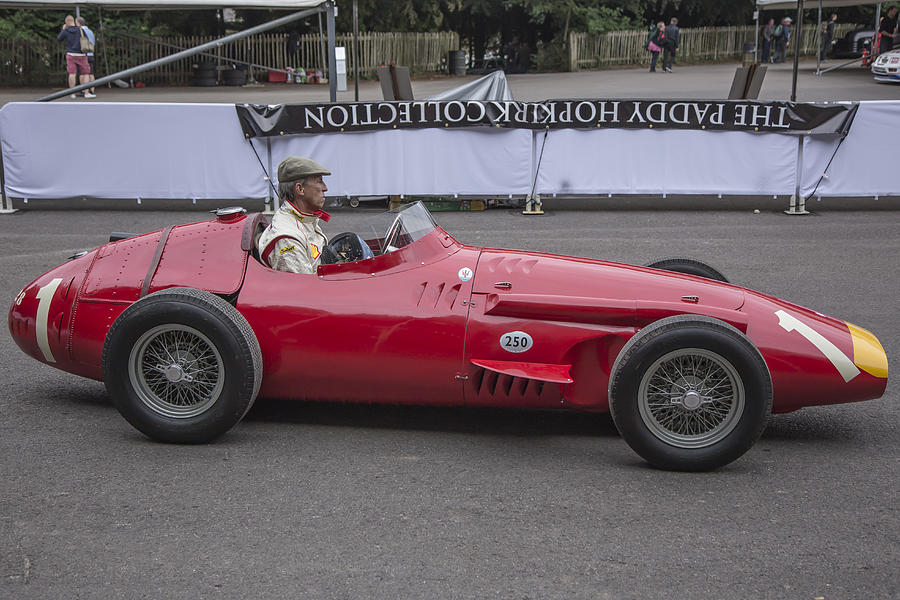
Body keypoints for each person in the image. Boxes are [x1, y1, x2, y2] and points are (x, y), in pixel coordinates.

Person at [257, 156, 332, 274]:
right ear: (300, 189)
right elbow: (304, 288)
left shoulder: (303, 218)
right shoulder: (288, 238)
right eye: (319, 181)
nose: (325, 188)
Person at [56, 15, 95, 98]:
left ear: (66, 23)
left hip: (71, 54)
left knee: (72, 73)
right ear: (73, 21)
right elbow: (86, 39)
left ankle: (72, 94)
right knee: (86, 73)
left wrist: (63, 29)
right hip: (81, 54)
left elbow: (59, 39)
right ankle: (86, 93)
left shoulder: (65, 30)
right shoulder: (80, 29)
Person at [76, 17, 97, 97]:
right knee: (91, 73)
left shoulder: (80, 31)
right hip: (90, 54)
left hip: (83, 54)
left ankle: (84, 90)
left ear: (78, 23)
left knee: (82, 74)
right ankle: (92, 90)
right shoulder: (90, 31)